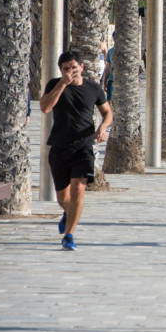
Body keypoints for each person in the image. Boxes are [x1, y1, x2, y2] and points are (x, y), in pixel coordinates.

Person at [39, 50, 113, 251]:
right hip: (59, 147)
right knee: (63, 198)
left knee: (78, 190)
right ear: (60, 70)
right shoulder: (54, 85)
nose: (70, 71)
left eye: (73, 67)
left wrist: (103, 127)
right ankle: (68, 213)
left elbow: (107, 112)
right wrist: (62, 85)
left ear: (82, 67)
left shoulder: (93, 88)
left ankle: (69, 235)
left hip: (84, 147)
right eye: (66, 69)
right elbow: (45, 108)